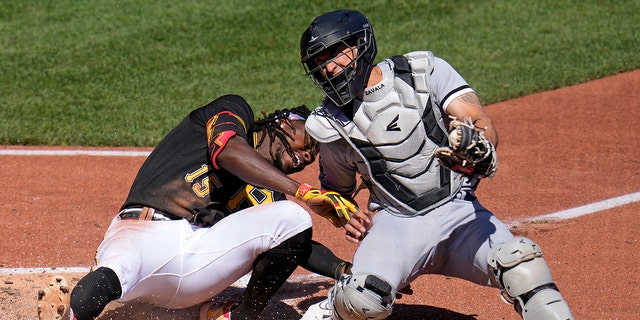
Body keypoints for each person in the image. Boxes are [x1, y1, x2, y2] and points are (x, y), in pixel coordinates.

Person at [297, 9, 574, 320]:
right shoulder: (329, 126)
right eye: (320, 63)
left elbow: (478, 120)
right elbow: (336, 191)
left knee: (523, 266)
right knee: (363, 298)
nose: (329, 69)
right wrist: (342, 213)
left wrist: (477, 142)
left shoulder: (423, 73)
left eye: (335, 54)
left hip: (462, 216)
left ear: (360, 45)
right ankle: (334, 306)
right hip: (396, 225)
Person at [36, 94, 353, 320]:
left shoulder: (269, 195)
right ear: (284, 122)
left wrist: (348, 271)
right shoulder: (233, 109)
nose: (310, 154)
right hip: (139, 237)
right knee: (109, 277)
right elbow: (228, 152)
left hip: (195, 266)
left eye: (315, 154)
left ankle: (238, 317)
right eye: (309, 141)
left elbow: (299, 244)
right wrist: (301, 190)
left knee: (292, 217)